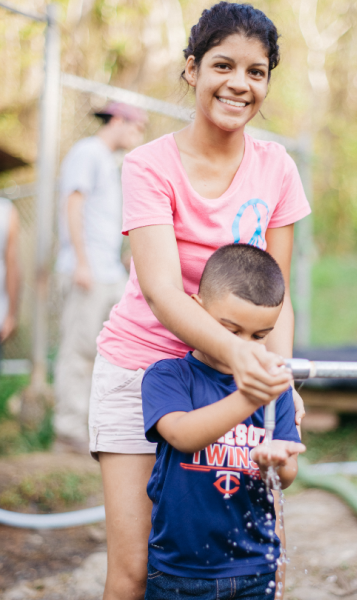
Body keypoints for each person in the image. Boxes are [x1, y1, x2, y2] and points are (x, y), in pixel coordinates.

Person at [90, 3, 311, 598]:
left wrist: (277, 380)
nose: (240, 83)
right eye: (223, 65)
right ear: (192, 70)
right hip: (142, 369)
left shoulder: (277, 168)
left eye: (257, 71)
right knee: (136, 570)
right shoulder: (149, 165)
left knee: (227, 565)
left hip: (230, 383)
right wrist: (249, 367)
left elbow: (278, 299)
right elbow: (162, 292)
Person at [141, 244, 306, 600]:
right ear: (197, 311)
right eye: (231, 331)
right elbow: (183, 435)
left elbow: (287, 476)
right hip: (179, 572)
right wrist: (250, 396)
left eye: (260, 337)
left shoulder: (277, 391)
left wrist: (275, 464)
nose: (247, 348)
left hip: (253, 569)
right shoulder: (169, 376)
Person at [53, 102, 147, 452]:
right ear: (119, 121)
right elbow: (73, 204)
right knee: (78, 350)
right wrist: (82, 261)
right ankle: (68, 431)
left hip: (108, 271)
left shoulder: (111, 161)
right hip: (86, 270)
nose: (139, 135)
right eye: (137, 127)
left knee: (113, 350)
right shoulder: (88, 152)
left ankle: (98, 428)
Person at [0, 197, 21, 351]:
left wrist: (11, 314)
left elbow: (13, 265)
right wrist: (11, 314)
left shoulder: (6, 211)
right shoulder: (6, 211)